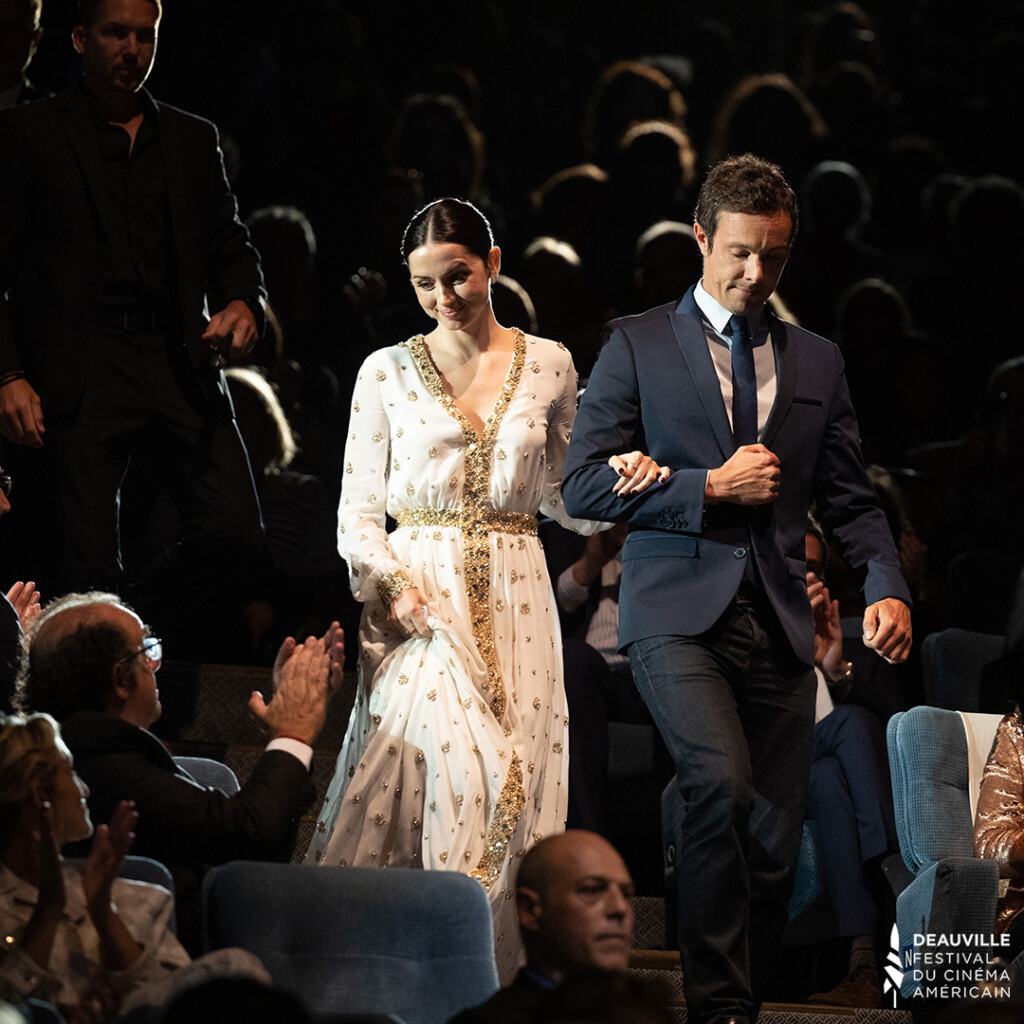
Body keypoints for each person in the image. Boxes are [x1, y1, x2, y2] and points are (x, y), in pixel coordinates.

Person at [561, 153, 912, 1024]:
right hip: (673, 614)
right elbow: (582, 487)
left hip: (783, 625)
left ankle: (739, 1004)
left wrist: (888, 582)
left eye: (776, 257)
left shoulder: (817, 362)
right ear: (702, 239)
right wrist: (705, 487)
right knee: (716, 782)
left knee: (767, 842)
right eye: (742, 254)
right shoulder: (638, 342)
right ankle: (717, 1009)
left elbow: (852, 501)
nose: (758, 274)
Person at [305, 198, 656, 980]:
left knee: (520, 789)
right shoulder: (385, 371)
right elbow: (358, 516)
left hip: (518, 592)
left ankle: (487, 986)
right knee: (460, 782)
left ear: (492, 262)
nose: (443, 299)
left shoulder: (552, 363)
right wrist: (393, 588)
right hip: (418, 603)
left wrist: (620, 478)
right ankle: (416, 973)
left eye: (457, 277)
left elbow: (565, 494)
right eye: (425, 285)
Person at [0, 0, 266, 646]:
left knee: (234, 529)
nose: (133, 50)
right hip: (80, 358)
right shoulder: (30, 133)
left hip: (173, 352)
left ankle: (130, 625)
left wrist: (241, 302)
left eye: (145, 36)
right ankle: (106, 656)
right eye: (117, 34)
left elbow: (231, 247)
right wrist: (7, 372)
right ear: (79, 38)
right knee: (84, 556)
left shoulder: (188, 138)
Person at [19, 591, 343, 953]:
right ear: (120, 681)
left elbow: (252, 854)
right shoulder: (98, 759)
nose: (157, 666)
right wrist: (292, 733)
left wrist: (287, 735)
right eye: (148, 652)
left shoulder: (94, 744)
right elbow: (246, 831)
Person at [0, 712, 268, 1018]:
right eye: (71, 772)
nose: (85, 788)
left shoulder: (134, 898)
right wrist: (48, 909)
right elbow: (7, 1008)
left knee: (236, 967)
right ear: (39, 796)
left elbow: (171, 1005)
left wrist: (103, 911)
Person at [448, 830, 635, 1024]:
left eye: (626, 894)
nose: (620, 908)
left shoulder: (646, 1014)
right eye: (591, 889)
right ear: (529, 909)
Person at [0, 0, 44, 110]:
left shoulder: (49, 112)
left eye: (19, 29)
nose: (8, 40)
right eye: (0, 27)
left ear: (36, 38)